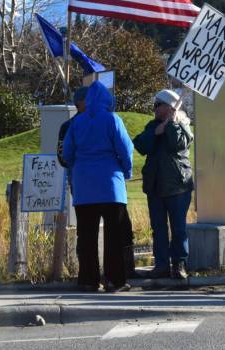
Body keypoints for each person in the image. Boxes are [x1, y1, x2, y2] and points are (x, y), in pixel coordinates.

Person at [61, 81, 134, 292]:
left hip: (84, 187)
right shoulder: (112, 119)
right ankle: (115, 280)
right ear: (106, 100)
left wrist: (77, 170)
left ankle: (88, 280)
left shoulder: (77, 122)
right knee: (114, 236)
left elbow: (67, 153)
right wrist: (126, 172)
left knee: (86, 237)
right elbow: (125, 149)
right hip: (111, 186)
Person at [132, 89, 194, 280]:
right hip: (156, 187)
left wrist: (172, 124)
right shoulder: (153, 126)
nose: (154, 109)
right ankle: (161, 265)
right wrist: (156, 133)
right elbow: (141, 145)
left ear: (169, 107)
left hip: (178, 187)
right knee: (158, 228)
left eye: (157, 105)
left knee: (178, 228)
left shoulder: (183, 126)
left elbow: (178, 144)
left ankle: (179, 264)